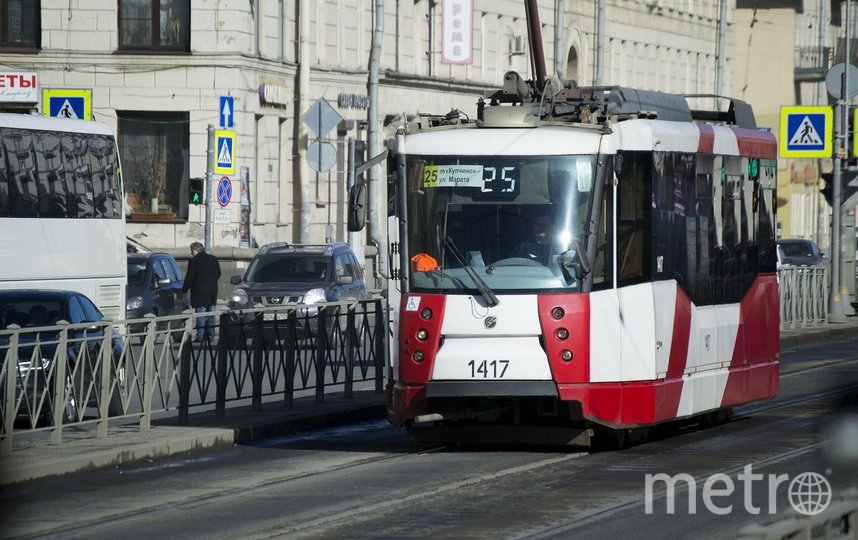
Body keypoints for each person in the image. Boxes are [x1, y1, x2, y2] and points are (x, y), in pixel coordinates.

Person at [182, 241, 221, 343]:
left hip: (199, 293)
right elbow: (219, 273)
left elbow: (189, 278)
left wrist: (184, 290)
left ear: (195, 250)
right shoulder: (213, 259)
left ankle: (200, 336)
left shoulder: (194, 261)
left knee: (201, 314)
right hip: (212, 291)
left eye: (192, 251)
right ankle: (211, 336)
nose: (191, 253)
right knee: (211, 313)